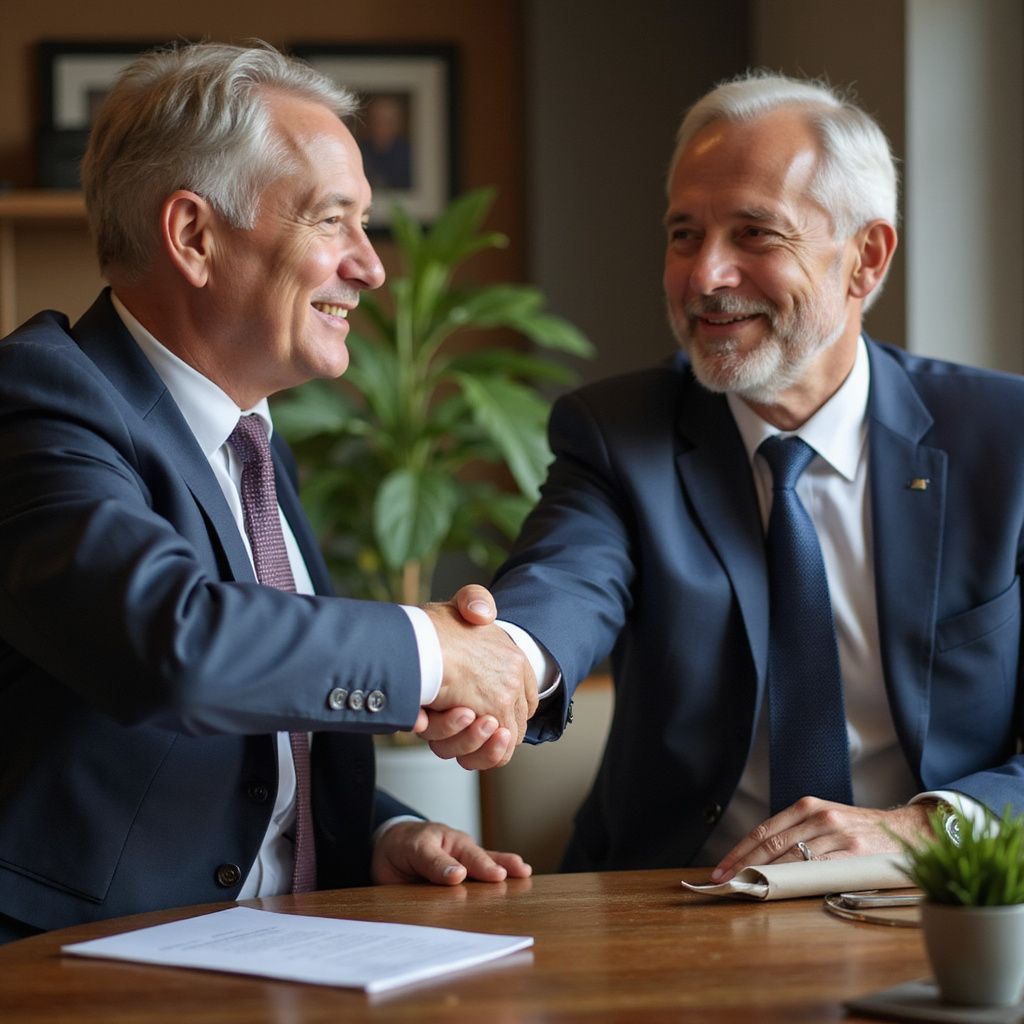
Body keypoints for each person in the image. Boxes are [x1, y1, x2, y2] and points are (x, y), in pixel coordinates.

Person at [0, 41, 534, 944]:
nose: (370, 266)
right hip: (87, 967)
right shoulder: (38, 398)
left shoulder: (249, 437)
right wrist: (432, 650)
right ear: (193, 237)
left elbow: (243, 732)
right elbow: (174, 641)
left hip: (272, 949)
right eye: (333, 221)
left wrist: (380, 830)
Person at [486, 71, 1024, 878]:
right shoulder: (619, 434)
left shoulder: (1005, 439)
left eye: (754, 234)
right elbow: (565, 583)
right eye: (683, 234)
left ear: (865, 260)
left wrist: (925, 830)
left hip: (939, 899)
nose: (705, 276)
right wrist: (504, 661)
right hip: (673, 902)